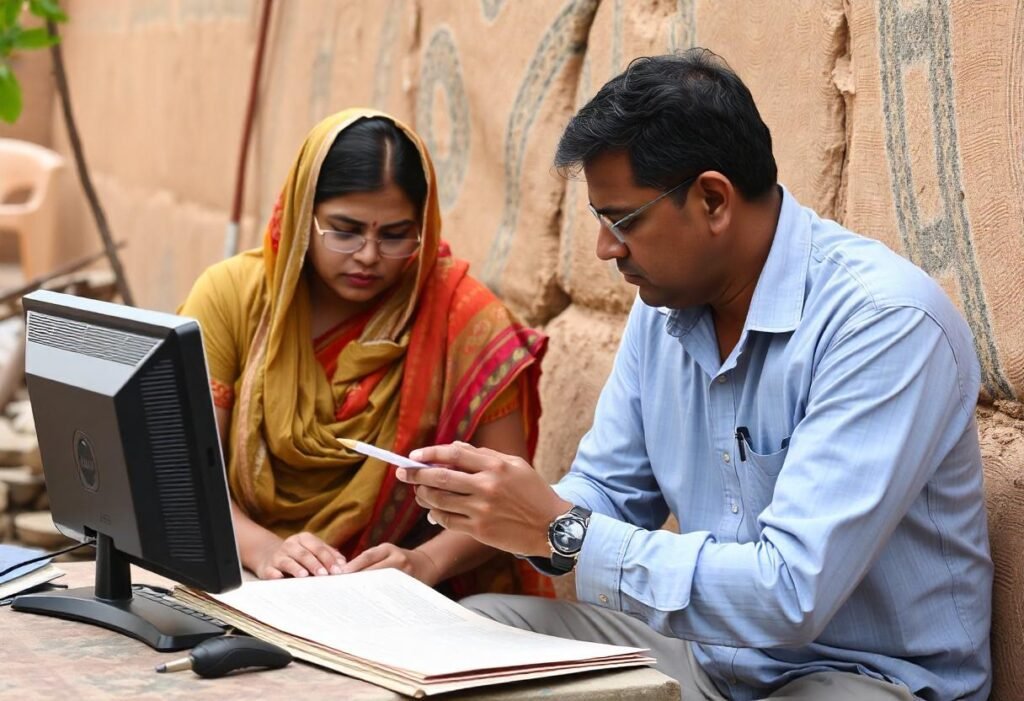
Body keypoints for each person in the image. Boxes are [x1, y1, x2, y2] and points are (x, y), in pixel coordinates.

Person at [398, 49, 993, 700]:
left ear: (713, 199)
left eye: (621, 219)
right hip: (707, 667)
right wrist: (499, 511)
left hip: (860, 680)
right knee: (477, 637)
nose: (605, 249)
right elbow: (609, 489)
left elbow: (789, 593)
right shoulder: (665, 306)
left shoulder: (883, 324)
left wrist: (561, 530)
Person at [179, 109, 550, 597]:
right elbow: (184, 471)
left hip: (399, 596)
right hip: (242, 574)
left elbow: (506, 497)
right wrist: (264, 550)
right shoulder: (231, 297)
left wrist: (421, 563)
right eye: (345, 229)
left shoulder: (464, 320)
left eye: (395, 234)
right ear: (301, 214)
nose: (369, 255)